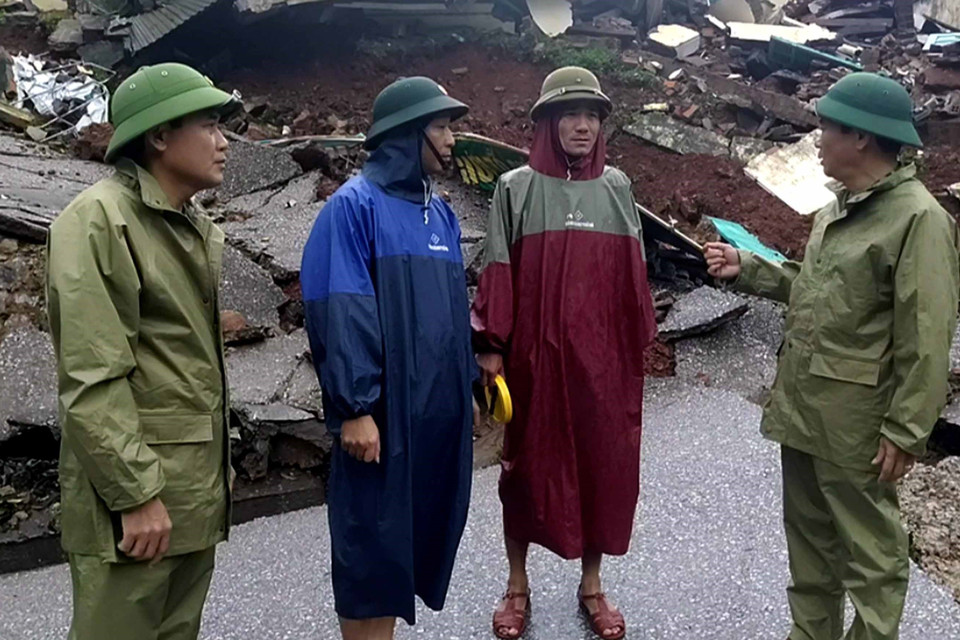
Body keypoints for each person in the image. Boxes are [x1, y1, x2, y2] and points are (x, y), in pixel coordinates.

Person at [705, 72, 960, 640]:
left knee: (871, 557)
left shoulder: (919, 220)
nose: (816, 139)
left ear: (863, 137)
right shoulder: (837, 208)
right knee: (811, 545)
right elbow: (818, 288)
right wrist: (746, 268)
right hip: (804, 406)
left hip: (859, 425)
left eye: (826, 127)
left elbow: (928, 336)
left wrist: (905, 428)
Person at [46, 63, 240, 639]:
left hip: (187, 499)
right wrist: (136, 495)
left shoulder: (187, 224)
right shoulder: (99, 221)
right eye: (208, 124)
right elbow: (92, 376)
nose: (224, 141)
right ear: (159, 136)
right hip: (136, 508)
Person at [472, 66, 657, 640]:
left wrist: (637, 343)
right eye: (571, 115)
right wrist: (491, 345)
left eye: (592, 116)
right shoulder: (516, 188)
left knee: (604, 464)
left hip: (604, 360)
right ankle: (517, 585)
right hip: (535, 359)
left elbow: (634, 274)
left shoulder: (618, 188)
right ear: (547, 122)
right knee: (525, 470)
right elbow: (498, 269)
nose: (582, 126)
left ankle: (593, 585)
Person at [300, 77, 476, 640]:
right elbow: (340, 308)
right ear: (407, 133)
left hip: (433, 415)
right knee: (371, 552)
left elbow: (452, 315)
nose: (453, 139)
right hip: (380, 418)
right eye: (443, 126)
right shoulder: (352, 208)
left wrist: (466, 388)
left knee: (410, 542)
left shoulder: (439, 215)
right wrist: (354, 408)